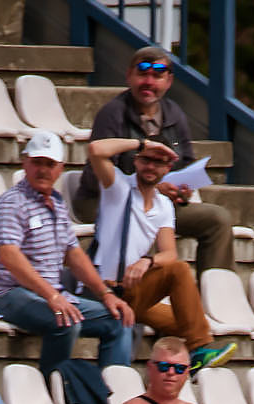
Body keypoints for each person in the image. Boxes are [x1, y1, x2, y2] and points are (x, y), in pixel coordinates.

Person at [0, 131, 134, 379]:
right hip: (7, 293)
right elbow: (10, 256)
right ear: (25, 162)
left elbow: (73, 253)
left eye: (50, 164)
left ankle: (112, 397)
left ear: (61, 168)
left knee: (119, 319)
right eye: (37, 162)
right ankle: (56, 391)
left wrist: (106, 294)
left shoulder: (58, 203)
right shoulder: (11, 202)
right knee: (65, 321)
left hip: (47, 293)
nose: (43, 170)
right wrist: (51, 295)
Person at [75, 47, 234, 274]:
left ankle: (216, 295)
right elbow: (95, 176)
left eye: (157, 76)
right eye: (142, 74)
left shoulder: (175, 114)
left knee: (218, 219)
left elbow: (186, 163)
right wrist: (155, 184)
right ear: (129, 75)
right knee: (136, 216)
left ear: (168, 81)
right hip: (106, 200)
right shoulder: (112, 114)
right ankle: (126, 285)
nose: (148, 82)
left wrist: (182, 189)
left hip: (159, 202)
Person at [85, 136, 228, 366]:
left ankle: (170, 368)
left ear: (168, 168)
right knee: (179, 272)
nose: (151, 167)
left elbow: (168, 252)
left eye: (158, 162)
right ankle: (199, 349)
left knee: (185, 320)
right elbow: (96, 149)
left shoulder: (163, 204)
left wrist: (147, 261)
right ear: (136, 161)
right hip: (105, 289)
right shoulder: (118, 187)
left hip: (134, 290)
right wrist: (142, 144)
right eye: (146, 160)